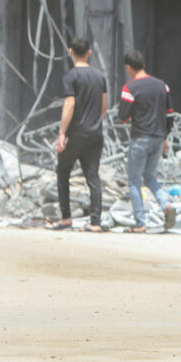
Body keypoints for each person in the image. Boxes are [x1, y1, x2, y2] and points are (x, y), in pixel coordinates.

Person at [47, 37, 107, 232]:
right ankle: (95, 222)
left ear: (70, 51)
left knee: (63, 172)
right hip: (95, 134)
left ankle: (66, 218)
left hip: (75, 134)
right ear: (89, 53)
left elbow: (70, 104)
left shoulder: (71, 77)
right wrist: (96, 122)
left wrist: (62, 133)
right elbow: (103, 107)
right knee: (93, 177)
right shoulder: (100, 76)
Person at [117, 49, 176, 233]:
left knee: (134, 180)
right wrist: (165, 136)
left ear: (128, 67)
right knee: (150, 177)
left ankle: (140, 223)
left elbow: (123, 117)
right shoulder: (162, 85)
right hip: (159, 138)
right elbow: (170, 115)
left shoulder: (130, 88)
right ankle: (166, 205)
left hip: (140, 138)